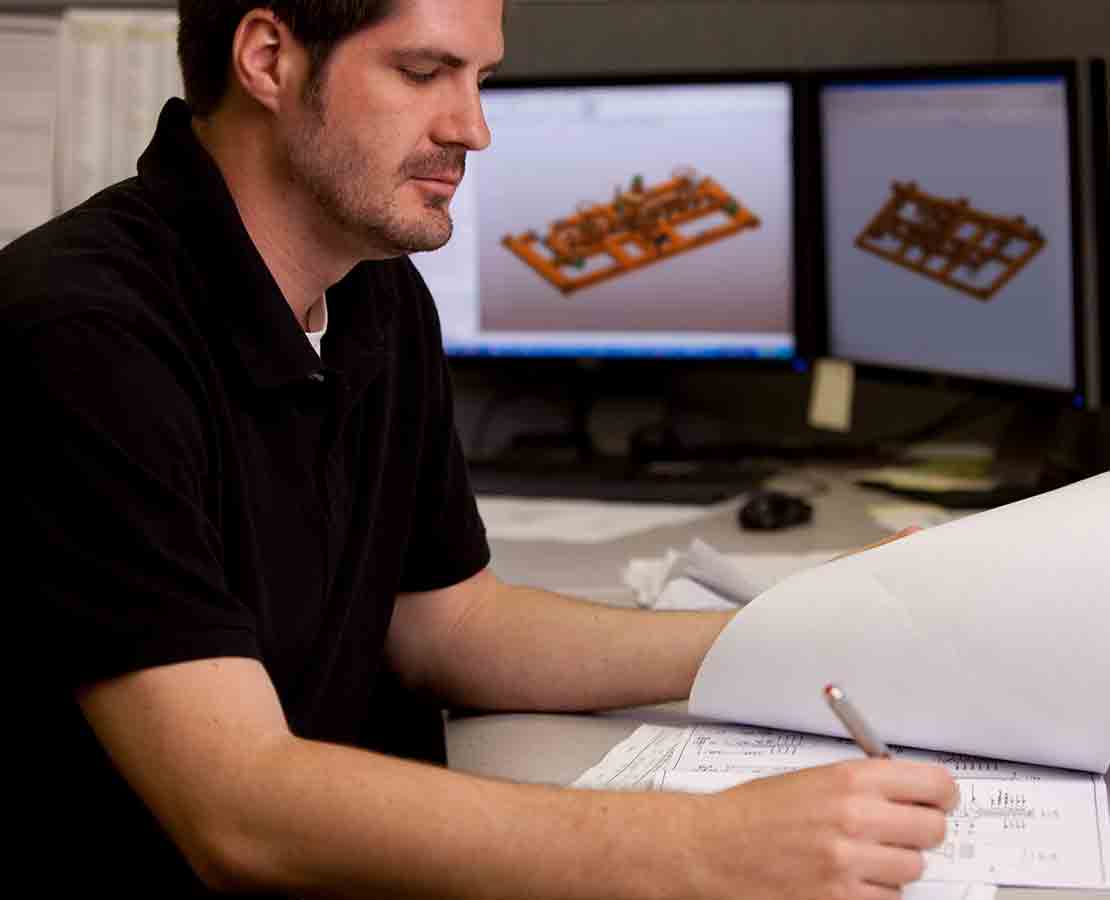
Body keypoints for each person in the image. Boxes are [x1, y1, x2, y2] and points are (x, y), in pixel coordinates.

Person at [3, 1, 957, 897]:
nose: (473, 129)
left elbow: (449, 628)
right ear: (267, 60)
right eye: (424, 72)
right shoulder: (81, 331)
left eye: (481, 80)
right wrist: (701, 847)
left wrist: (790, 632)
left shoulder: (373, 291)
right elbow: (236, 808)